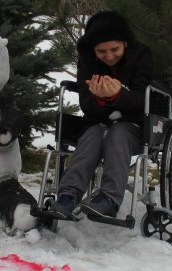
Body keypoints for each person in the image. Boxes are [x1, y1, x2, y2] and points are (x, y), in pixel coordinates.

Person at [48, 10, 153, 219]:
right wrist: (99, 98)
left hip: (134, 124)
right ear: (92, 49)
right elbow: (87, 106)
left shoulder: (141, 55)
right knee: (92, 137)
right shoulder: (86, 60)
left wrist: (117, 95)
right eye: (101, 51)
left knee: (118, 134)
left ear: (125, 43)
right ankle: (68, 195)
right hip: (97, 122)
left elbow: (143, 100)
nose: (109, 56)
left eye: (115, 49)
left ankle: (109, 199)